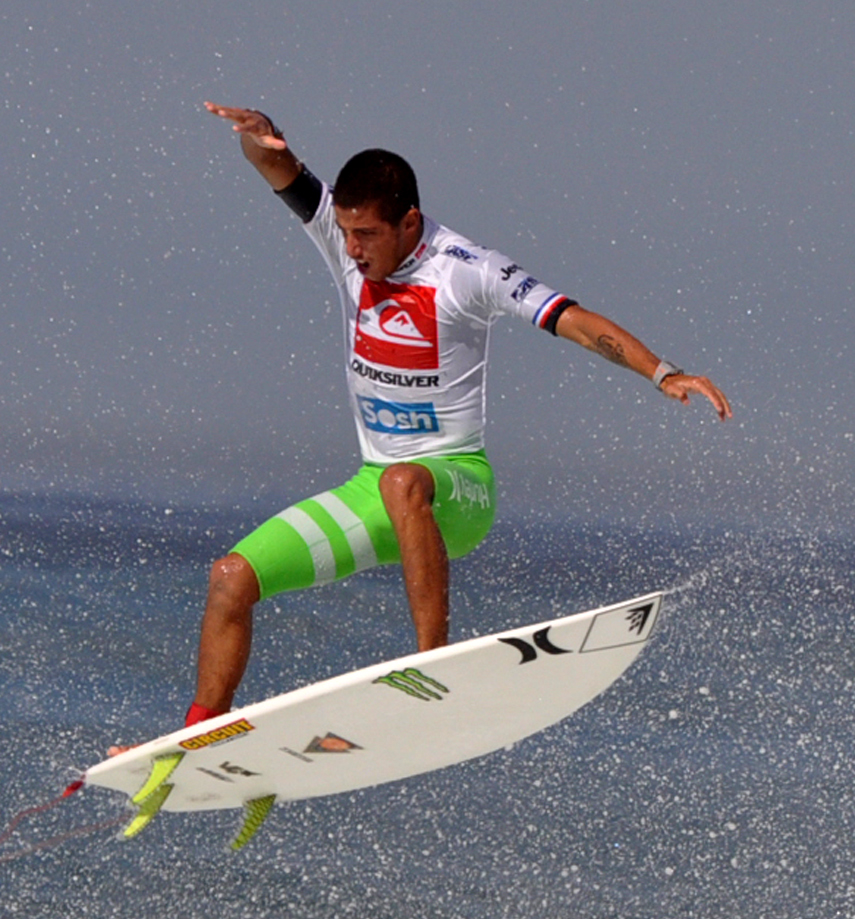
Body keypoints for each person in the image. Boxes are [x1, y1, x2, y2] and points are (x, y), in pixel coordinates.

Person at [183, 102, 731, 727]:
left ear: (409, 222)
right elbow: (278, 170)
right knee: (231, 577)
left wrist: (661, 372)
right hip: (375, 491)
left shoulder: (469, 271)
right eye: (346, 232)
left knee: (404, 481)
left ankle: (434, 669)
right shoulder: (345, 238)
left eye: (368, 235)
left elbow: (572, 320)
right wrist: (259, 138)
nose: (352, 248)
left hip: (456, 492)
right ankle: (196, 741)